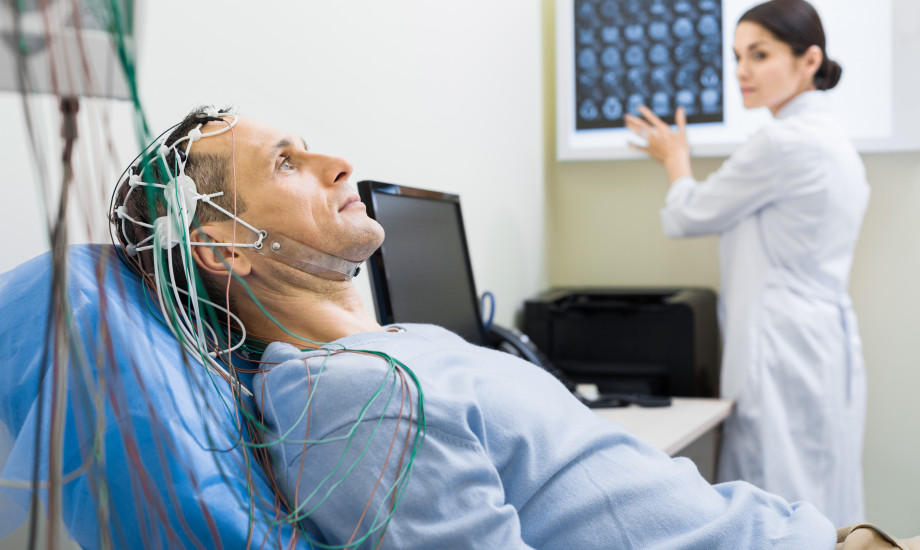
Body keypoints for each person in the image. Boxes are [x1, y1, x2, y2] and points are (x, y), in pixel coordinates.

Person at [110, 106, 916, 549]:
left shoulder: (408, 347)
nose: (339, 164)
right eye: (287, 164)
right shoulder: (350, 396)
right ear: (226, 249)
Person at [624, 0, 868, 527]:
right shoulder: (831, 139)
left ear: (809, 60)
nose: (741, 71)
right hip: (818, 343)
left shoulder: (784, 142)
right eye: (737, 56)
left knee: (778, 508)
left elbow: (689, 214)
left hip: (779, 349)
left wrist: (675, 159)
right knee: (823, 503)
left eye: (759, 55)